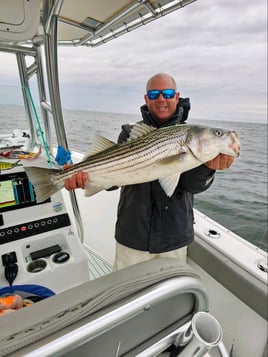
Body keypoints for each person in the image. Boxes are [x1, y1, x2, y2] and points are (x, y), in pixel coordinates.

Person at [64, 73, 235, 270]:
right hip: (133, 235)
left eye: (167, 93)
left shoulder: (191, 136)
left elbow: (191, 186)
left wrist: (208, 169)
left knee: (169, 297)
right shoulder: (130, 132)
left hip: (174, 237)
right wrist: (87, 179)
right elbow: (115, 177)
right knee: (127, 293)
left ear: (176, 96)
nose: (161, 99)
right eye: (154, 94)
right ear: (146, 99)